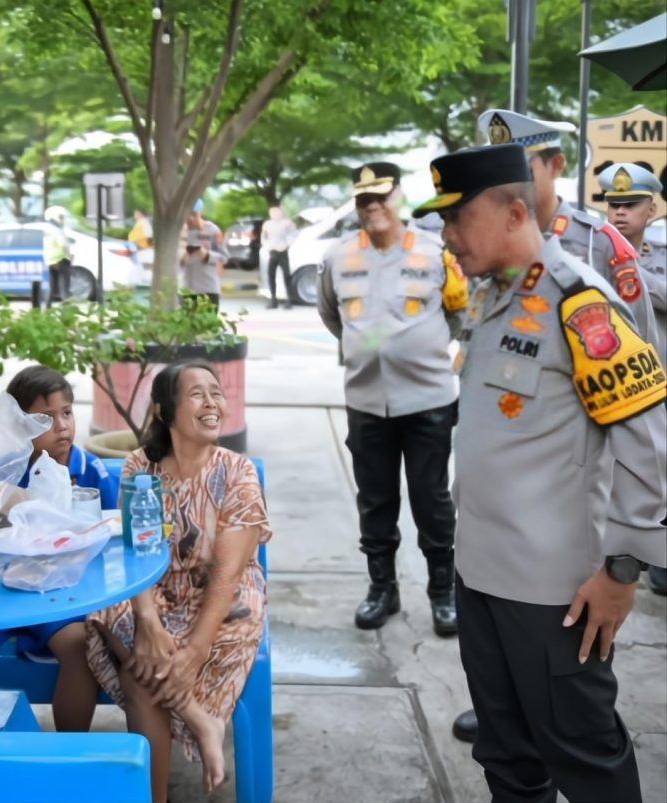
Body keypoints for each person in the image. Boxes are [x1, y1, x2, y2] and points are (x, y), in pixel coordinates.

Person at [413, 143, 666, 800]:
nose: (447, 236)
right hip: (481, 576)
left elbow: (649, 446)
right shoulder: (495, 296)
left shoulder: (578, 300)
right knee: (507, 755)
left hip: (555, 592)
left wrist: (623, 570)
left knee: (585, 756)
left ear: (513, 211)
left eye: (457, 217)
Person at [85, 359, 272, 802]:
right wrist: (147, 622)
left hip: (222, 600)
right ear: (167, 410)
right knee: (111, 612)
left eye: (216, 392)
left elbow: (228, 573)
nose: (212, 403)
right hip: (157, 593)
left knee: (139, 675)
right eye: (196, 393)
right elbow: (135, 552)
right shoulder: (139, 467)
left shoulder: (235, 471)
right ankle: (199, 718)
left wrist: (195, 649)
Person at [317, 162, 468, 636]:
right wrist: (368, 349)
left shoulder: (435, 252)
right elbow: (330, 313)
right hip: (367, 402)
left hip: (427, 401)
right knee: (375, 502)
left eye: (381, 196)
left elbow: (460, 312)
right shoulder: (338, 257)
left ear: (399, 197)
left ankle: (443, 594)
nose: (373, 206)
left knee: (432, 501)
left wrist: (420, 352)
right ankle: (382, 589)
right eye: (363, 199)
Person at [0, 365, 118, 732]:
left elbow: (109, 538)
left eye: (67, 413)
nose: (61, 426)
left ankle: (69, 751)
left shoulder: (91, 472)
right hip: (6, 595)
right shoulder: (5, 474)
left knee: (78, 648)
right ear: (18, 425)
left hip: (67, 596)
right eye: (44, 418)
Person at [478, 109, 658, 349]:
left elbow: (640, 342)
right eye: (500, 173)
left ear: (556, 165)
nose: (509, 183)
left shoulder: (600, 243)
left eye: (521, 170)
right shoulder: (490, 241)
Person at [599, 162, 667, 598]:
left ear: (652, 208)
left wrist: (622, 266)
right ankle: (618, 553)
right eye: (613, 205)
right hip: (614, 385)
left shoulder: (657, 255)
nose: (620, 213)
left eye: (631, 204)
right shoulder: (590, 252)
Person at [180, 202, 225, 310]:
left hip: (209, 287)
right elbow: (174, 258)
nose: (190, 218)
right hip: (186, 287)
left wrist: (206, 254)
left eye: (194, 214)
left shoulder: (212, 230)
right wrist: (185, 253)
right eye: (187, 214)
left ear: (200, 213)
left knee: (208, 324)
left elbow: (223, 257)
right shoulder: (180, 231)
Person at [260, 206, 297, 309]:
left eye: (277, 212)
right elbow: (263, 237)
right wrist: (266, 246)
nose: (275, 214)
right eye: (273, 213)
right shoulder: (267, 224)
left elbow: (294, 234)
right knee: (271, 276)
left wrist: (287, 244)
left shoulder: (287, 223)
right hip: (272, 252)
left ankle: (289, 300)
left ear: (281, 213)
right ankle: (273, 300)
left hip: (283, 251)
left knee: (286, 276)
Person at [43, 206, 72, 306]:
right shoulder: (57, 230)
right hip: (61, 260)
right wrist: (69, 255)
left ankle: (47, 310)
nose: (62, 219)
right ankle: (67, 311)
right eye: (60, 217)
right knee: (64, 288)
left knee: (52, 288)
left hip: (50, 261)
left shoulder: (47, 229)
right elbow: (63, 244)